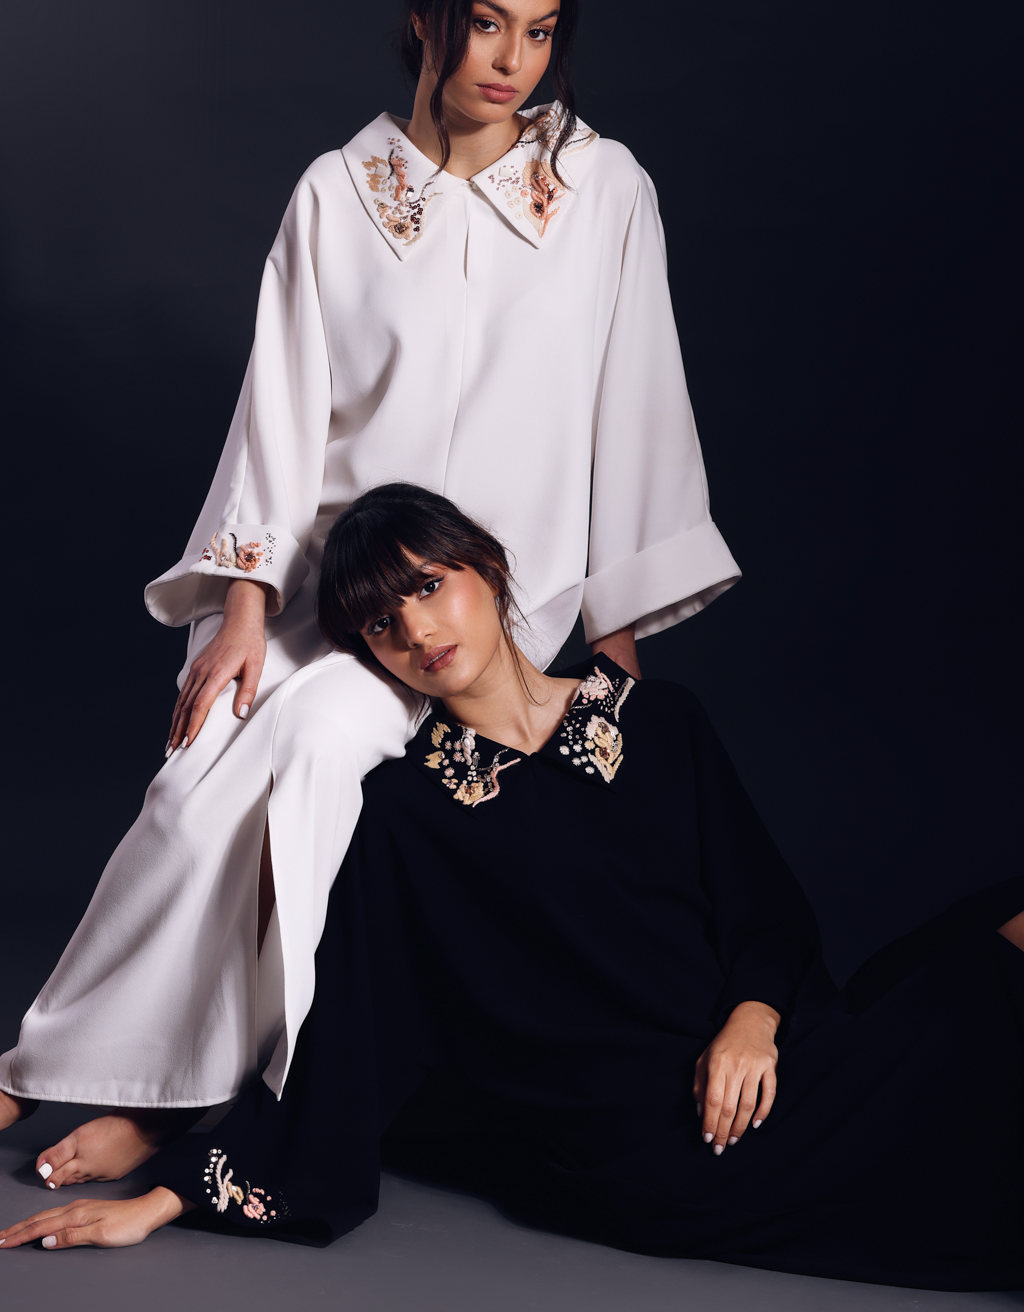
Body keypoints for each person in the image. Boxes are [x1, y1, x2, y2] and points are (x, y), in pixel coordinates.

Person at [0, 0, 739, 1188]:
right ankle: (61, 1067)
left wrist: (611, 630)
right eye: (486, 24)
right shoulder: (337, 197)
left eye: (539, 33)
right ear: (424, 15)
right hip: (340, 595)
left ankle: (169, 1103)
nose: (510, 60)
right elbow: (281, 408)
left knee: (309, 752)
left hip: (496, 609)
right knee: (196, 778)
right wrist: (244, 605)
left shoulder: (603, 191)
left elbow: (637, 405)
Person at [4, 485, 1021, 1290]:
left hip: (761, 1064)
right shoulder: (406, 812)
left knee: (984, 949)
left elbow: (764, 908)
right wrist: (170, 1194)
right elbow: (355, 1032)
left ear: (487, 568)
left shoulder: (660, 720)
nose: (416, 629)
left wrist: (753, 1020)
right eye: (380, 621)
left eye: (429, 585)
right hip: (660, 1143)